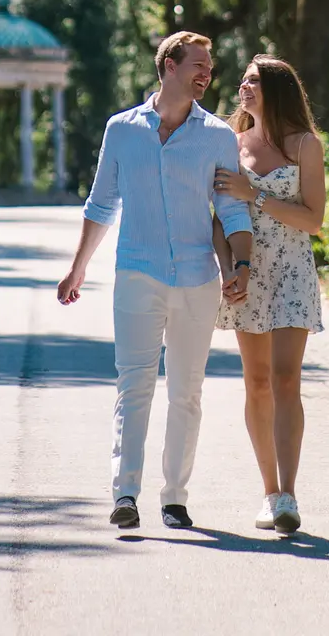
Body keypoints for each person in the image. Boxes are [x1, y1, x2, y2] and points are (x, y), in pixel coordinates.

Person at [57, 30, 253, 533]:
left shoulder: (217, 136)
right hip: (137, 275)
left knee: (186, 392)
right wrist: (78, 267)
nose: (207, 73)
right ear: (169, 65)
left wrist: (241, 266)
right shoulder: (121, 130)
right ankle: (125, 493)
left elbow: (230, 209)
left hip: (196, 280)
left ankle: (175, 497)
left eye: (210, 66)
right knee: (133, 386)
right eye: (198, 64)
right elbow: (102, 204)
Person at [213, 53, 325, 538]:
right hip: (247, 273)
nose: (244, 88)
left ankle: (289, 495)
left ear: (277, 89)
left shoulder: (305, 145)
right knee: (255, 382)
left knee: (285, 380)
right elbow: (215, 217)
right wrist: (228, 269)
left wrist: (253, 194)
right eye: (243, 81)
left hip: (293, 273)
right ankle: (267, 489)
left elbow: (313, 220)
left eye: (255, 81)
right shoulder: (229, 145)